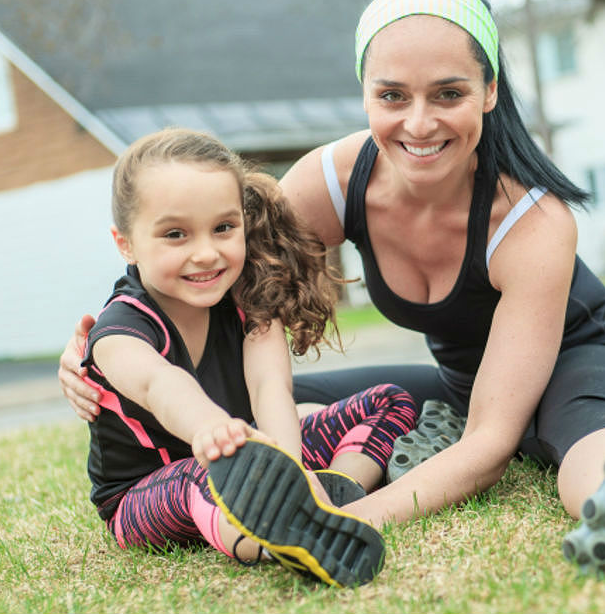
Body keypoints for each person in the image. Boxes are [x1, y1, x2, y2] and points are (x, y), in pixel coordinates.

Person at [59, 0, 605, 576]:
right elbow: (209, 270)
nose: (418, 122)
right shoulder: (334, 181)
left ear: (490, 91)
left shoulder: (531, 220)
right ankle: (250, 482)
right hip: (463, 383)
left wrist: (343, 520)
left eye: (448, 94)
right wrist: (107, 354)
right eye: (391, 95)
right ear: (365, 94)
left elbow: (491, 443)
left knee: (575, 429)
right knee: (258, 397)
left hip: (575, 363)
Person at [79, 128, 416, 587]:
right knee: (207, 472)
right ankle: (267, 538)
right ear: (127, 244)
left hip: (253, 458)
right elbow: (159, 384)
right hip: (148, 493)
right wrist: (209, 429)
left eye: (223, 228)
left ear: (243, 220)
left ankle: (330, 499)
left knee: (387, 401)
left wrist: (293, 469)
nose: (205, 253)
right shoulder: (120, 329)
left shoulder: (249, 300)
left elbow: (269, 386)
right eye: (175, 234)